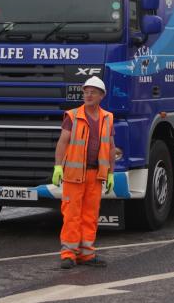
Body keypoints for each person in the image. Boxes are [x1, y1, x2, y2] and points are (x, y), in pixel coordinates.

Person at [52, 76, 115, 270]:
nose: (88, 95)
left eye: (93, 92)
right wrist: (58, 167)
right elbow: (63, 142)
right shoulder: (72, 116)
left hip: (95, 175)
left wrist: (111, 172)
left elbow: (111, 147)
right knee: (72, 214)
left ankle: (87, 254)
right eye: (86, 91)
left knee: (90, 215)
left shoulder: (107, 118)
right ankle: (69, 254)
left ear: (101, 96)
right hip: (74, 174)